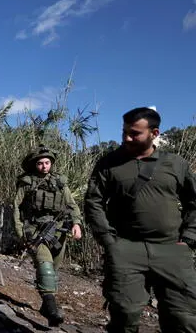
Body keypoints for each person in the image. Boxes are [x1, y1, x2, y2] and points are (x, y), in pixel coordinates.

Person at [84, 107, 196, 333]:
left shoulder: (175, 164)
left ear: (154, 133)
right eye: (124, 131)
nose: (126, 138)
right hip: (126, 249)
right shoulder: (109, 163)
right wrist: (108, 241)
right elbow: (93, 202)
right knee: (125, 316)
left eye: (134, 133)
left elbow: (194, 202)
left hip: (171, 250)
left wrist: (190, 238)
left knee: (184, 319)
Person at [13, 144, 83, 326]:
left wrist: (76, 223)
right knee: (45, 266)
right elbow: (15, 208)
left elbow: (72, 205)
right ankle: (52, 309)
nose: (44, 166)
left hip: (57, 231)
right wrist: (21, 233)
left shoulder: (60, 182)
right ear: (34, 165)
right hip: (35, 230)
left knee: (54, 269)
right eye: (40, 164)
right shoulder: (27, 182)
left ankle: (45, 302)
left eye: (47, 163)